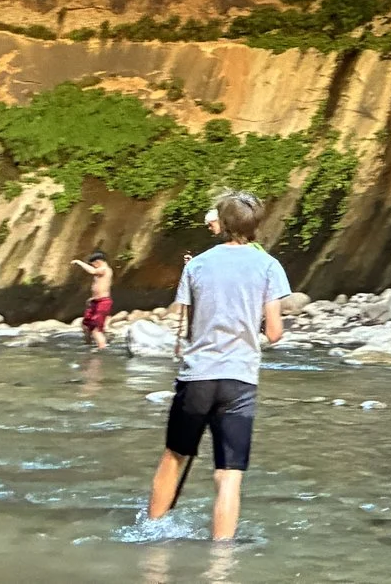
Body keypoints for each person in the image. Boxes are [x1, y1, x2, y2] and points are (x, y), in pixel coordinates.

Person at [144, 193, 290, 543]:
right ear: (256, 225)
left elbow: (192, 326)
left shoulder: (196, 265)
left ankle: (150, 534)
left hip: (198, 376)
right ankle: (221, 559)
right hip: (239, 380)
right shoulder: (269, 266)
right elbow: (274, 333)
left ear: (222, 224)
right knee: (229, 475)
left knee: (175, 456)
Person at [74, 252, 115, 349]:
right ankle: (88, 345)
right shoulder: (100, 270)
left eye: (93, 264)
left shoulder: (105, 269)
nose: (93, 266)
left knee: (96, 329)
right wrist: (92, 298)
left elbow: (92, 271)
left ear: (98, 262)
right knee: (86, 325)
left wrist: (79, 262)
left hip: (103, 302)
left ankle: (102, 349)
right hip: (95, 302)